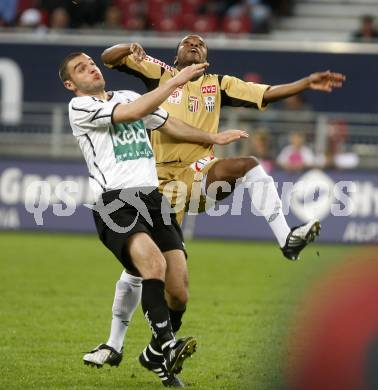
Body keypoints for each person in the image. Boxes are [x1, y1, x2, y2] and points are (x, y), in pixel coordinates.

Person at [84, 34, 344, 383]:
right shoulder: (159, 74)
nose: (195, 43)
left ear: (206, 57)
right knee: (160, 279)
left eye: (201, 44)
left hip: (199, 174)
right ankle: (141, 349)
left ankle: (287, 238)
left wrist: (305, 84)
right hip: (155, 186)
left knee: (248, 164)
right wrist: (129, 47)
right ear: (176, 55)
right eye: (188, 42)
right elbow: (109, 58)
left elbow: (265, 92)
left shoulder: (219, 86)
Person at [60, 51, 248, 387]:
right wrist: (175, 80)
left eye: (90, 63)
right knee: (152, 266)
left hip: (153, 199)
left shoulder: (130, 96)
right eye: (80, 69)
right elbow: (133, 113)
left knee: (179, 293)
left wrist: (213, 138)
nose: (90, 68)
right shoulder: (80, 108)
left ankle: (153, 356)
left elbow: (166, 122)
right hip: (115, 202)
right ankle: (168, 346)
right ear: (71, 84)